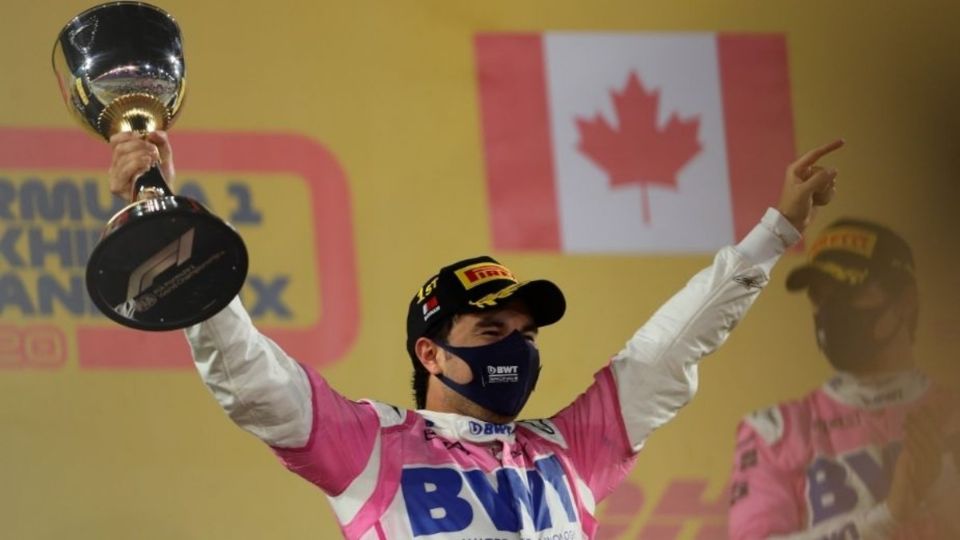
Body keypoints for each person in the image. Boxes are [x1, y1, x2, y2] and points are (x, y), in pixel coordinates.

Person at [108, 131, 842, 539]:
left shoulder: (571, 449)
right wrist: (180, 242)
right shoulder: (370, 446)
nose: (518, 347)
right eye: (493, 328)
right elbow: (251, 379)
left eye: (526, 332)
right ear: (431, 351)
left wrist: (772, 235)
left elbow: (670, 348)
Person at [728, 219, 960, 539]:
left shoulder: (952, 415)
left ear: (905, 301)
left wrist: (942, 490)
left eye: (851, 290)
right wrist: (888, 515)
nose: (831, 310)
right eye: (821, 296)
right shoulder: (775, 430)